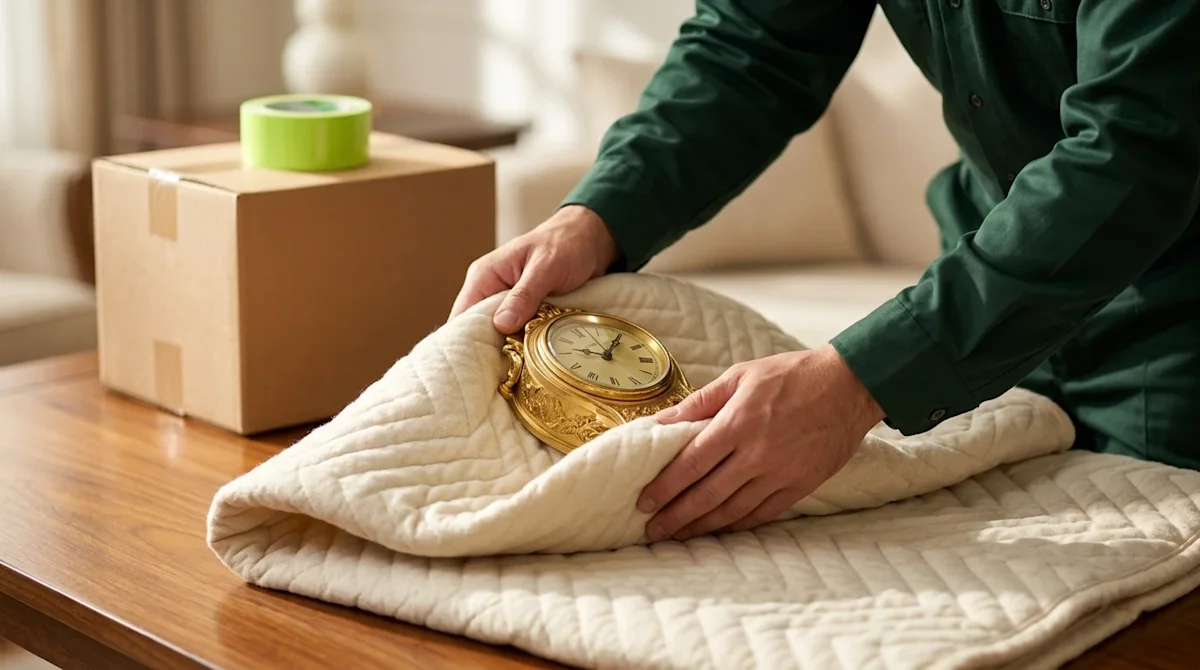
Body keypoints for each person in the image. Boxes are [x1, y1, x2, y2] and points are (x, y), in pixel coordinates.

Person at [449, 1, 1200, 544]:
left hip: (1176, 328)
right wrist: (597, 215)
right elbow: (753, 48)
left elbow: (1133, 155)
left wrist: (859, 382)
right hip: (986, 286)